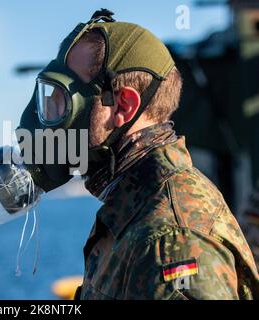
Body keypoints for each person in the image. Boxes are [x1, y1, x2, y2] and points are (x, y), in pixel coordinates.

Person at [17, 9, 259, 299]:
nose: (48, 120)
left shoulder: (170, 238)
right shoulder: (135, 206)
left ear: (123, 107)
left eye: (62, 101)